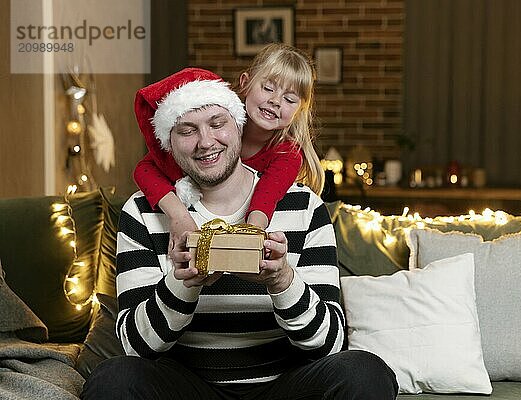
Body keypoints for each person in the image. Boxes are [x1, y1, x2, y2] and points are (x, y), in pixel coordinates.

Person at [81, 69, 398, 400]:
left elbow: (330, 343)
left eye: (217, 124)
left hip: (284, 386)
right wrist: (183, 283)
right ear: (167, 143)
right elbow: (136, 346)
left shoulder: (304, 206)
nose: (206, 142)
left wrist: (283, 282)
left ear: (239, 123)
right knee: (113, 379)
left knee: (365, 372)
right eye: (187, 131)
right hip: (188, 385)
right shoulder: (143, 212)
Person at [133, 44, 324, 252]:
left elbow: (265, 199)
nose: (275, 101)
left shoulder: (288, 154)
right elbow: (144, 169)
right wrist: (178, 216)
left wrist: (251, 241)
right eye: (268, 88)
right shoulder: (216, 127)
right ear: (245, 83)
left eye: (289, 99)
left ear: (300, 109)